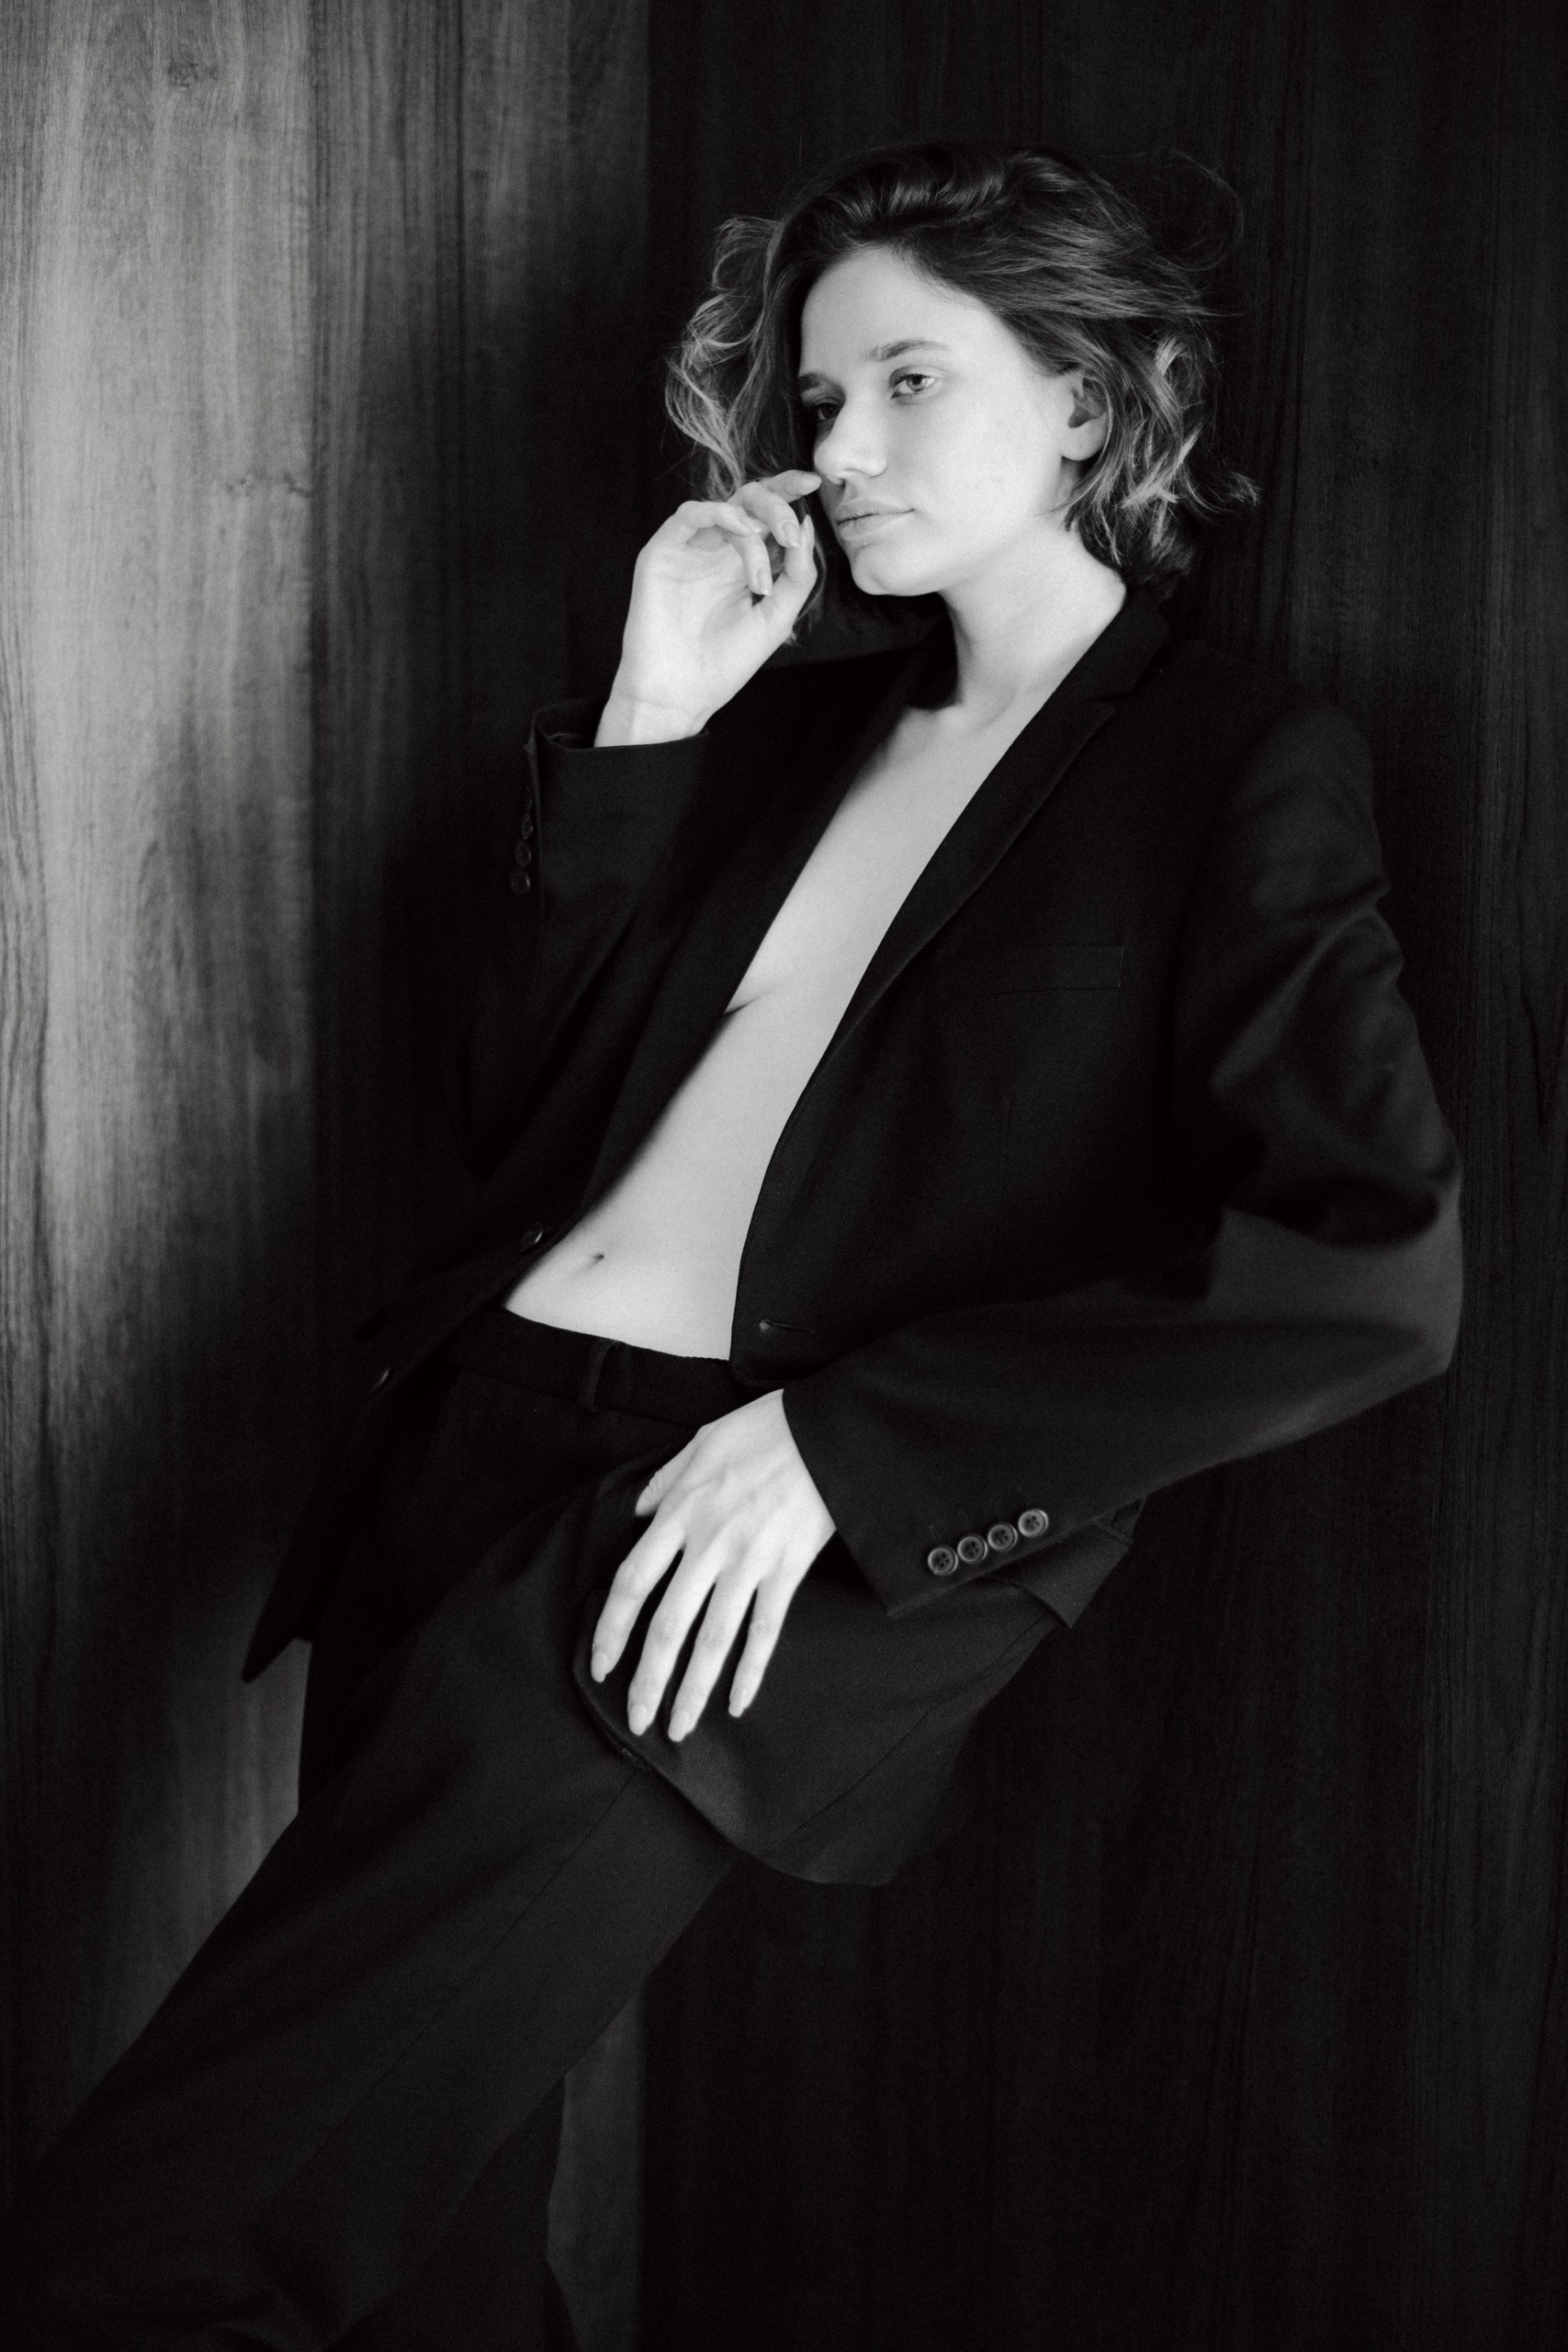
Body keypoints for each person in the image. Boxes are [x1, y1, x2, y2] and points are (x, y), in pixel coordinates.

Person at [0, 139, 1461, 2349]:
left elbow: (1370, 1267)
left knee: (151, 2252)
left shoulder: (1233, 762)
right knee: (421, 2278)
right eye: (819, 398)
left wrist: (843, 1453)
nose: (836, 446)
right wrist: (652, 714)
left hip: (700, 1543)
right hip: (456, 1449)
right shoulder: (790, 731)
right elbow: (521, 1117)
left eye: (906, 383)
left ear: (1087, 400)